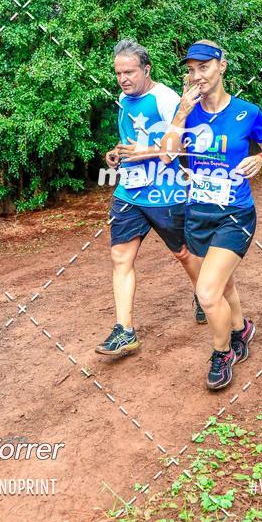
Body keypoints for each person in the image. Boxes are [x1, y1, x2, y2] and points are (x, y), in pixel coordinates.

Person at [151, 40, 262, 390]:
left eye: (204, 67)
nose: (197, 75)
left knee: (207, 293)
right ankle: (242, 330)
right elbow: (165, 156)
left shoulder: (247, 112)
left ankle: (222, 353)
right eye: (191, 70)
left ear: (222, 66)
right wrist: (179, 112)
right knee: (226, 283)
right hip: (198, 213)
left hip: (235, 213)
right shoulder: (186, 112)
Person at [95, 40, 204, 358]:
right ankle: (124, 331)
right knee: (120, 258)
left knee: (184, 253)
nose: (123, 79)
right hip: (129, 192)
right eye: (118, 73)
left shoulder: (167, 99)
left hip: (165, 193)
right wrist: (116, 152)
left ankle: (205, 293)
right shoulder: (123, 99)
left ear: (146, 69)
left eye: (129, 72)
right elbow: (130, 140)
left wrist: (147, 153)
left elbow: (181, 148)